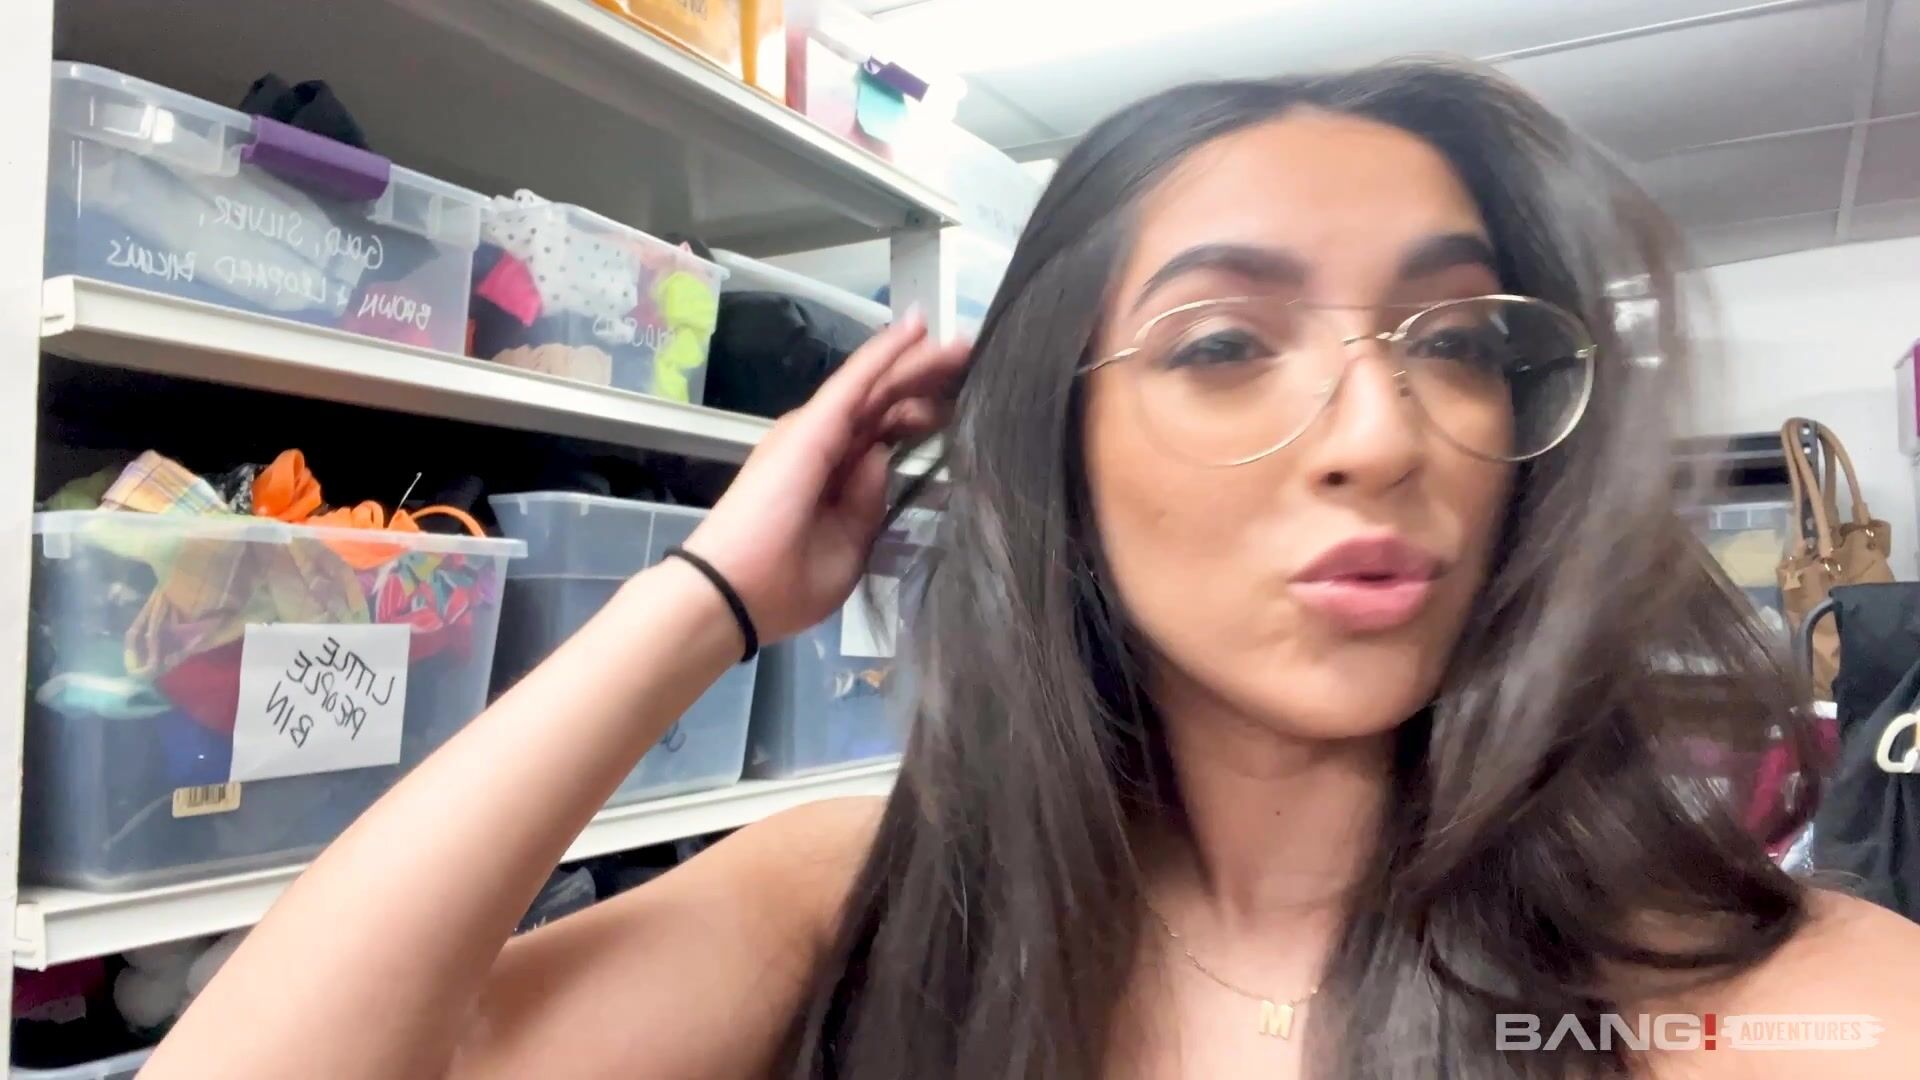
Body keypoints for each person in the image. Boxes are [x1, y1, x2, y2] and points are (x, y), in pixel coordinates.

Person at [145, 61, 1920, 1080]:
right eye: (1225, 345)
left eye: (1457, 342)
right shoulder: (861, 899)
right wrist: (713, 596)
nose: (1382, 435)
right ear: (1055, 450)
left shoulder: (1771, 1001)